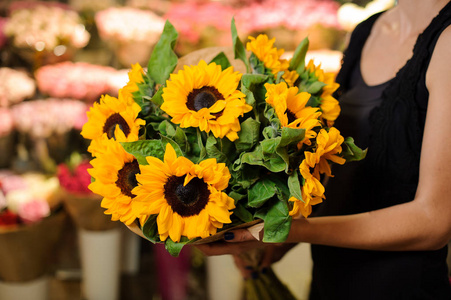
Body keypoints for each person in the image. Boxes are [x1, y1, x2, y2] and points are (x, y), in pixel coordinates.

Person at [196, 0, 451, 298]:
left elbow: (433, 222)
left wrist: (287, 230)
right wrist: (276, 242)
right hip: (330, 279)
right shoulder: (367, 31)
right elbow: (339, 172)